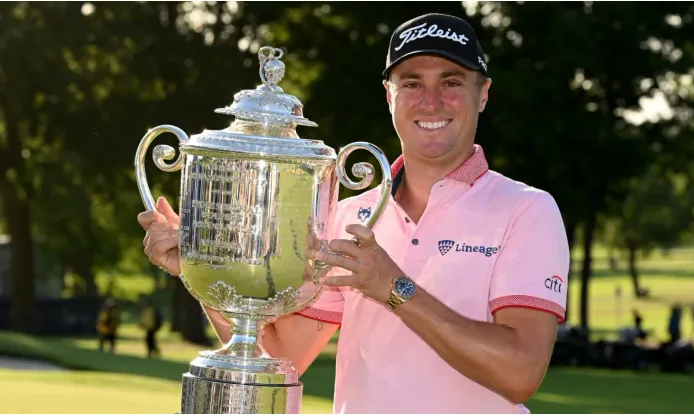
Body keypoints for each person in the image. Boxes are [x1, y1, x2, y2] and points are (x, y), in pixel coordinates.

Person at [138, 13, 569, 414]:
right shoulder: (349, 214)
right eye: (412, 83)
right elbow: (280, 357)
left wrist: (394, 288)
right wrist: (204, 271)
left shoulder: (527, 210)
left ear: (483, 94)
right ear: (390, 96)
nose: (432, 100)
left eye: (452, 81)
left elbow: (520, 373)